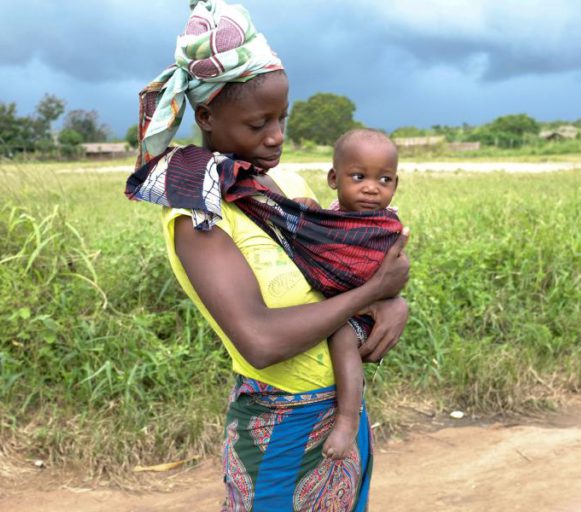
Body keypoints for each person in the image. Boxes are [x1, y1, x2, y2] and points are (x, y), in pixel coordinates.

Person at [126, 1, 410, 509]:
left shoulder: (285, 188)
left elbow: (341, 272)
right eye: (259, 123)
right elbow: (260, 341)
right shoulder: (198, 217)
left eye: (282, 117)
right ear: (207, 116)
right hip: (280, 427)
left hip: (347, 415)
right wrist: (373, 292)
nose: (276, 136)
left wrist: (392, 303)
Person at [292, 128, 401, 461]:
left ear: (396, 185)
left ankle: (347, 418)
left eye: (384, 180)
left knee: (341, 337)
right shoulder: (332, 216)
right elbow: (316, 232)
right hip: (342, 306)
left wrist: (392, 300)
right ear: (333, 178)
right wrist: (307, 209)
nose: (371, 188)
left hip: (362, 314)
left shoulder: (385, 225)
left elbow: (394, 273)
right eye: (358, 176)